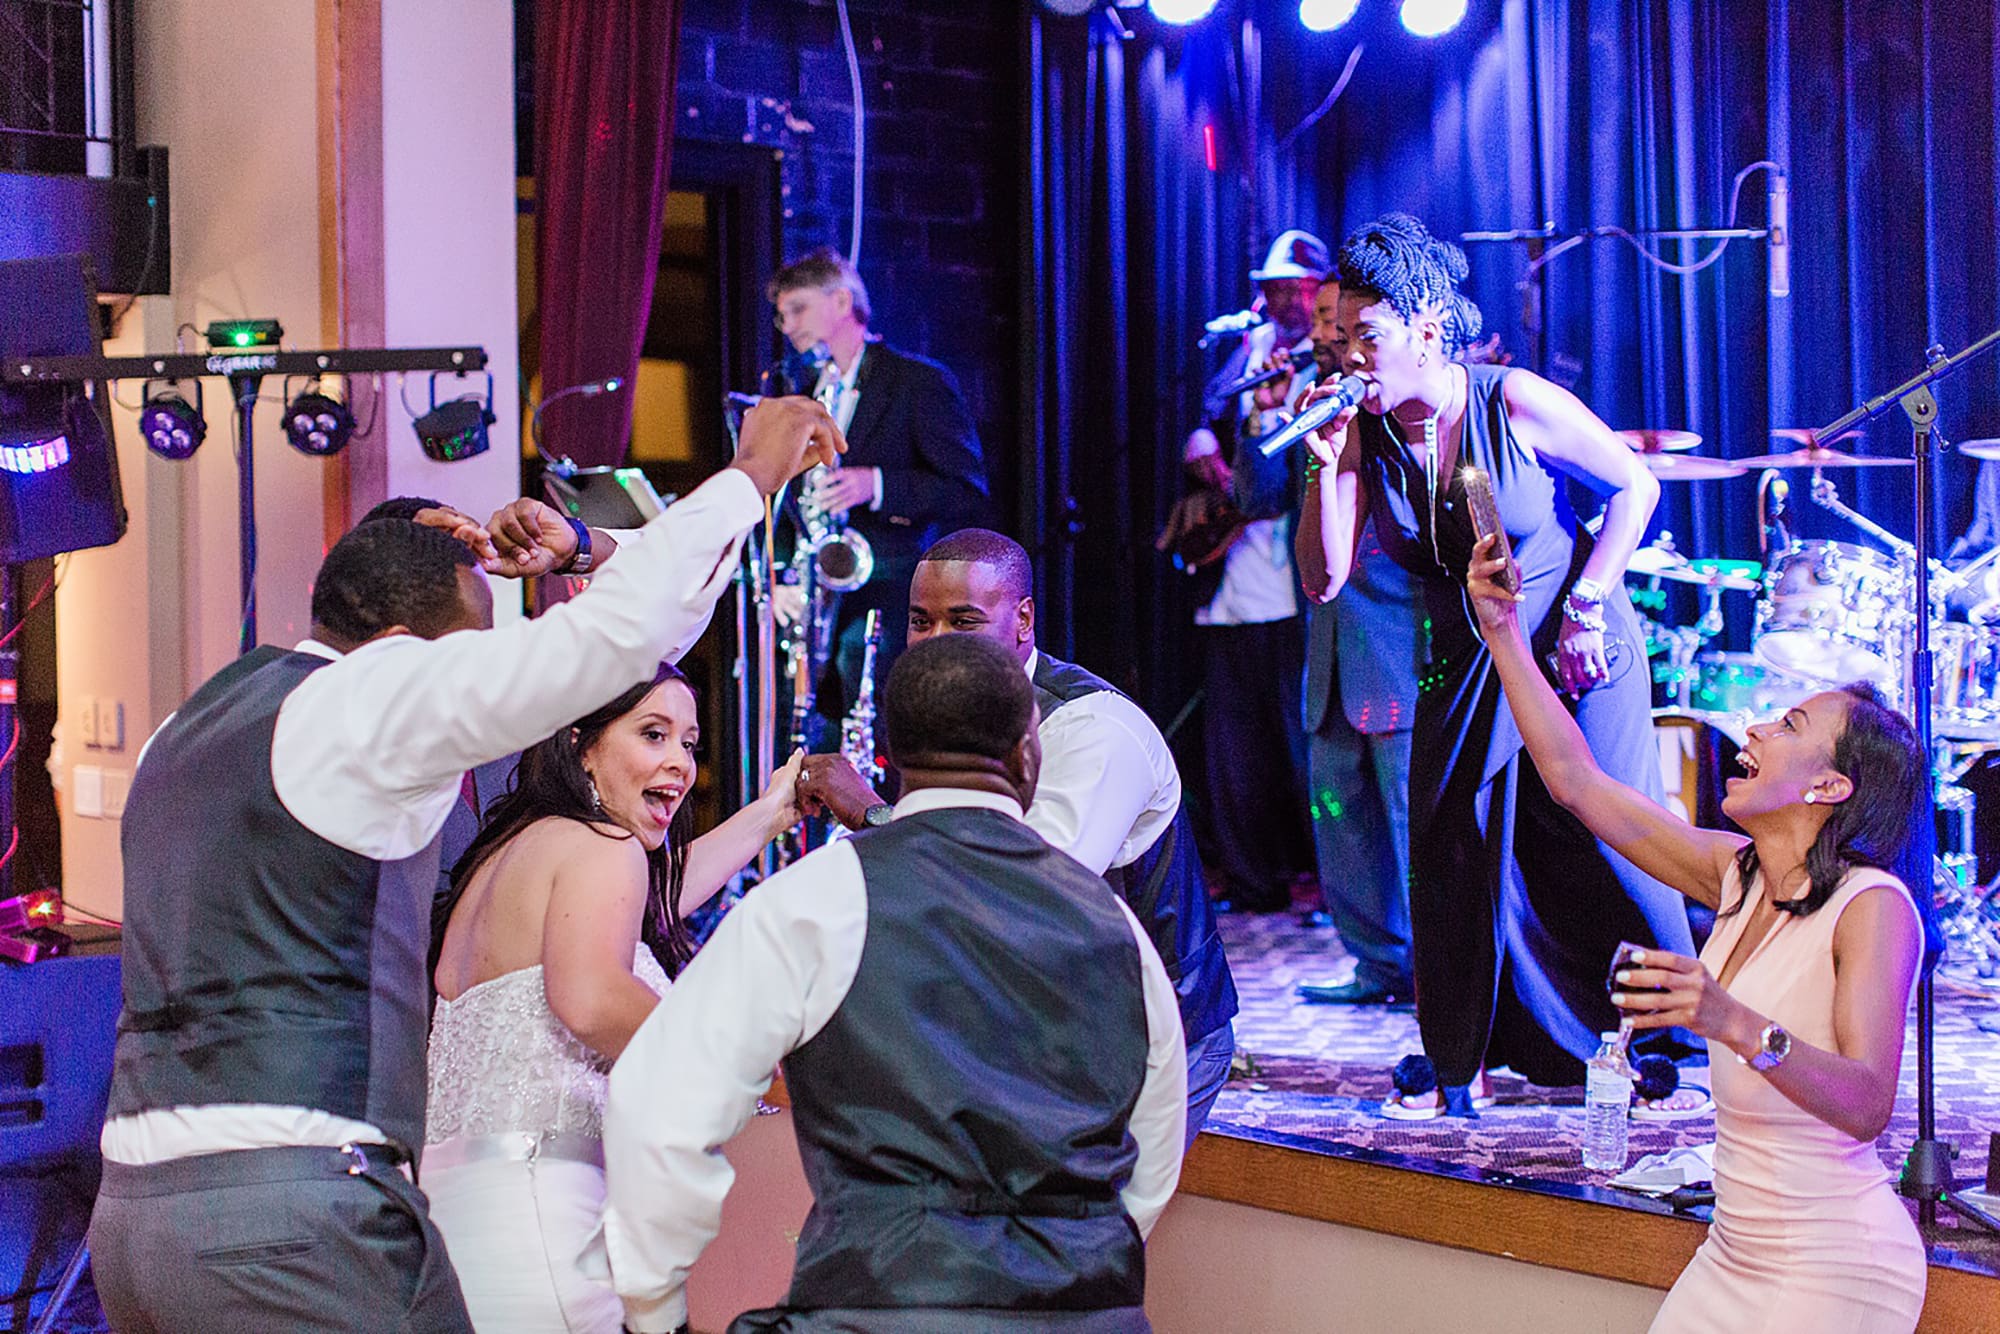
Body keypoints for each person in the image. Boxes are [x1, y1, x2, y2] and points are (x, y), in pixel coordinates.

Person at [85, 397, 842, 1334]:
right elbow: (610, 648)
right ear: (411, 648)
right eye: (476, 647)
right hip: (294, 1215)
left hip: (133, 1221)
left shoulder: (187, 728)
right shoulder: (372, 697)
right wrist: (748, 481)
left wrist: (579, 554)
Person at [592, 634, 1187, 1333]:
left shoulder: (815, 899)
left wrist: (654, 1311)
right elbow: (1151, 1155)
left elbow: (662, 1102)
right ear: (1029, 758)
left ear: (893, 758)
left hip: (874, 1307)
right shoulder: (1117, 928)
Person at [1465, 532, 1929, 1332]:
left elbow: (1867, 1104)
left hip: (1835, 1267)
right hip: (1733, 1255)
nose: (1752, 729)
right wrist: (1503, 631)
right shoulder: (1738, 873)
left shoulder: (1874, 908)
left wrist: (1730, 1020)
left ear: (1829, 784)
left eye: (1786, 724)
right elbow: (1576, 781)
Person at [1295, 213, 1694, 1115]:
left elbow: (1638, 487)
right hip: (1465, 653)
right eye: (1341, 338)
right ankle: (1465, 1050)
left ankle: (1650, 1033)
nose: (1349, 356)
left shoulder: (1509, 401)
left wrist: (1591, 602)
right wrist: (1321, 469)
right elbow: (1323, 582)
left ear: (1426, 332)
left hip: (1567, 638)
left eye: (1368, 337)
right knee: (1452, 840)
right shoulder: (1362, 433)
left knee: (1601, 835)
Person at [799, 528, 1238, 1148]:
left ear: (1024, 619)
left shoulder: (1093, 728)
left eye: (964, 621)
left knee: (1064, 1234)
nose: (935, 645)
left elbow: (1026, 894)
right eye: (921, 622)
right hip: (1036, 1026)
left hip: (1148, 1040)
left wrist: (873, 816)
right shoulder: (954, 716)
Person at [422, 664, 805, 1333]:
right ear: (581, 744)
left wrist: (770, 815)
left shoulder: (513, 854)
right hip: (542, 1218)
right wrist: (745, 1070)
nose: (679, 764)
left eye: (689, 744)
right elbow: (593, 999)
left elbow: (653, 910)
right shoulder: (605, 846)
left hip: (452, 1226)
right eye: (652, 734)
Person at [1245, 278, 1425, 1002]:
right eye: (1320, 322)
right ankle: (1377, 963)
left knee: (1415, 828)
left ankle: (1443, 971)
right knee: (1340, 819)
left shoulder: (1392, 400)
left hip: (1396, 644)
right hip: (1328, 650)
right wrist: (1262, 414)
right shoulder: (1317, 403)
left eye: (1334, 322)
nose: (1323, 334)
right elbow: (1256, 501)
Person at [767, 246, 992, 725]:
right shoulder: (804, 395)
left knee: (873, 718)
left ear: (843, 303)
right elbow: (783, 500)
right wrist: (783, 572)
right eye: (782, 315)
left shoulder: (917, 381)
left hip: (889, 589)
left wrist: (878, 484)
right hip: (820, 592)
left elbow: (967, 489)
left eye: (798, 309)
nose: (787, 326)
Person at [1181, 229, 1325, 913]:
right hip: (1232, 576)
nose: (1279, 301)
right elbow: (1208, 411)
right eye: (1270, 289)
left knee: (1304, 743)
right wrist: (1202, 435)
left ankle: (1329, 880)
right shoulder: (1250, 350)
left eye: (1292, 289)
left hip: (1293, 575)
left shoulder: (1324, 363)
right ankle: (1250, 876)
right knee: (1234, 743)